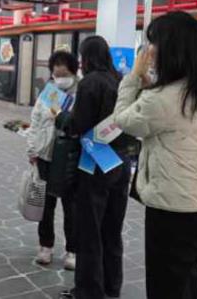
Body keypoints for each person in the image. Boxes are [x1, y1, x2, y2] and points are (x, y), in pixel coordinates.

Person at [113, 11, 197, 299]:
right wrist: (147, 83)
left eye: (154, 43)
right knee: (187, 277)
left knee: (165, 288)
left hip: (174, 212)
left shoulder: (162, 99)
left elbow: (124, 119)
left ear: (171, 48)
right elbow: (166, 110)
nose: (150, 50)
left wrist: (133, 78)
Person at [56, 36, 134, 299]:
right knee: (112, 229)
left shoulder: (90, 83)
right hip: (121, 161)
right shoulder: (120, 81)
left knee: (90, 231)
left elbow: (78, 124)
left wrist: (61, 117)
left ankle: (89, 291)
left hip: (95, 162)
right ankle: (112, 287)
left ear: (86, 57)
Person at [26, 50, 79, 270]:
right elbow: (36, 121)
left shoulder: (81, 92)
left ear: (74, 72)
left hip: (68, 157)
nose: (60, 79)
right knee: (46, 205)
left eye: (64, 74)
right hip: (45, 155)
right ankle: (45, 246)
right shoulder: (49, 92)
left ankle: (72, 250)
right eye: (56, 75)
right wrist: (32, 150)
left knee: (71, 206)